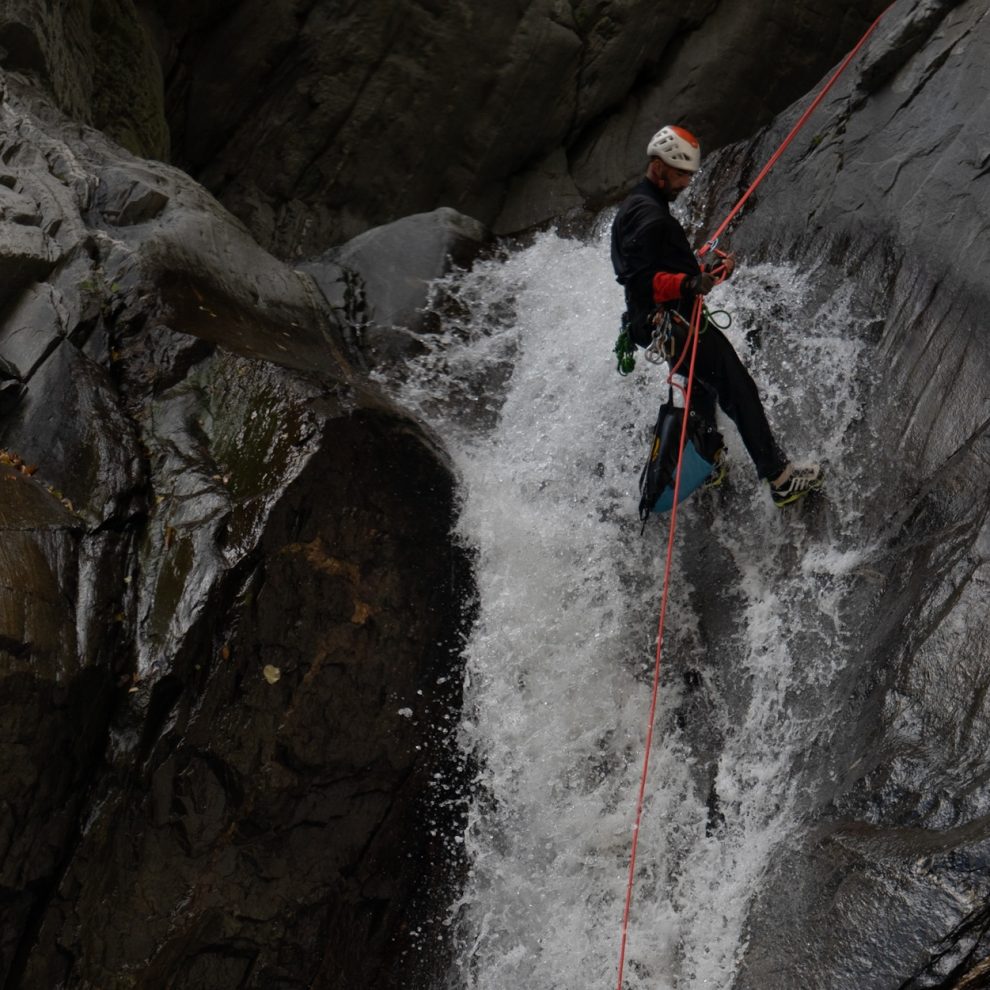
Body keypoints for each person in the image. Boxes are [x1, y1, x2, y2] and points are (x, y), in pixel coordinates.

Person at [610, 124, 824, 508]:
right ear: (658, 168)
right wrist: (691, 285)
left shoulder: (635, 207)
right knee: (738, 389)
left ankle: (709, 460)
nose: (686, 184)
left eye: (689, 176)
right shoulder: (651, 217)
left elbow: (656, 269)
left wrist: (704, 274)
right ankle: (779, 478)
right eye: (679, 175)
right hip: (677, 325)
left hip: (663, 324)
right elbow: (642, 281)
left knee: (700, 389)